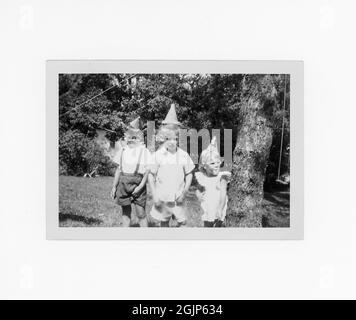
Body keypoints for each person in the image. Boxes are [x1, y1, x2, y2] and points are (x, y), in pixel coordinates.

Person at [148, 104, 195, 227]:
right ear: (164, 138)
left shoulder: (183, 155)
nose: (172, 142)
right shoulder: (158, 155)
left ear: (179, 139)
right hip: (163, 196)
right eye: (169, 138)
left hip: (179, 196)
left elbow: (189, 174)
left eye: (175, 139)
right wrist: (155, 196)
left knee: (182, 222)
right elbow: (151, 176)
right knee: (164, 222)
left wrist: (184, 193)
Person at [111, 117, 150, 227]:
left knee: (141, 213)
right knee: (126, 212)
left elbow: (147, 171)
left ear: (139, 137)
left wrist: (140, 186)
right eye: (130, 135)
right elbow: (119, 169)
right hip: (123, 184)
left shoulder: (143, 151)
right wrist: (114, 186)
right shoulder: (123, 150)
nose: (132, 138)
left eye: (135, 136)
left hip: (138, 184)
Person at [195, 136, 231, 227]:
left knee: (218, 227)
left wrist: (220, 208)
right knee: (207, 225)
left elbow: (223, 194)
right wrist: (199, 195)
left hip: (219, 207)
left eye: (218, 162)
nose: (216, 165)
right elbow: (198, 189)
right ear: (204, 166)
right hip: (208, 207)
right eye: (212, 163)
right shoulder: (203, 177)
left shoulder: (221, 177)